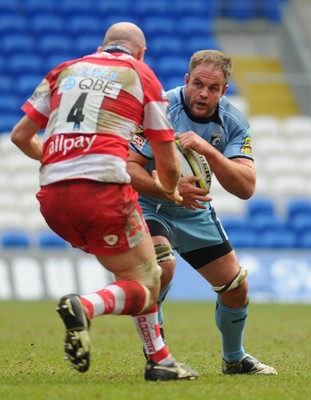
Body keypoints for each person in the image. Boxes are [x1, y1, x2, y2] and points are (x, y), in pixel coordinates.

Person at [11, 22, 199, 381]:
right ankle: (83, 305)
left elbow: (21, 136)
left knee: (136, 272)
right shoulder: (141, 74)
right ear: (141, 52)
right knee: (148, 285)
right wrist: (169, 188)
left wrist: (63, 163)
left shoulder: (63, 71)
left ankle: (160, 360)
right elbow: (166, 156)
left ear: (102, 46)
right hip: (103, 191)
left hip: (52, 196)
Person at [127, 49, 277, 375]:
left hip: (194, 212)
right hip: (150, 204)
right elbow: (129, 169)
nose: (203, 93)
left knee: (236, 288)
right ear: (186, 80)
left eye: (213, 88)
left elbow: (246, 187)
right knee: (160, 268)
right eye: (198, 84)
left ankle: (234, 359)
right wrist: (169, 188)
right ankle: (159, 357)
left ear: (224, 91)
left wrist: (209, 149)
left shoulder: (234, 122)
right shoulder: (159, 108)